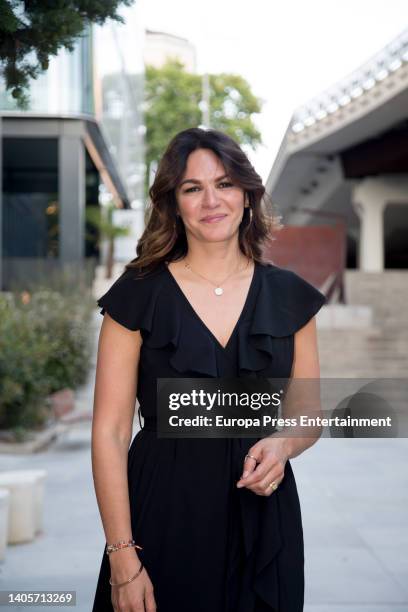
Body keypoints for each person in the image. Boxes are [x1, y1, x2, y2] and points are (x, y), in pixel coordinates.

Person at [91, 127, 326, 612]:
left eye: (224, 184)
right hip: (160, 516)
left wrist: (283, 444)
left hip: (264, 521)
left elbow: (308, 415)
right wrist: (122, 555)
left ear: (247, 195)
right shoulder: (138, 293)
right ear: (173, 204)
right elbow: (110, 432)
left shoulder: (290, 296)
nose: (210, 200)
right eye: (192, 188)